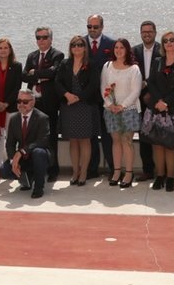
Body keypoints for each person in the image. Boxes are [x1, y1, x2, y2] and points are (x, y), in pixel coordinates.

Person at [146, 31, 174, 192]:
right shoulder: (157, 61)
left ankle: (170, 177)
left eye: (172, 40)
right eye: (166, 41)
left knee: (170, 145)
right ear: (163, 45)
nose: (169, 43)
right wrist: (159, 101)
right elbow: (150, 82)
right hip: (156, 109)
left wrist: (166, 102)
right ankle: (160, 176)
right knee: (157, 144)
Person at [55, 35, 99, 186]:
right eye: (74, 45)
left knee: (85, 140)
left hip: (85, 105)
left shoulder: (91, 65)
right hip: (68, 106)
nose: (77, 47)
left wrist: (78, 97)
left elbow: (93, 85)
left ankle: (84, 172)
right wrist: (67, 95)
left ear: (85, 48)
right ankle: (75, 171)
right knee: (73, 140)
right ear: (70, 47)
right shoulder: (65, 63)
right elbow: (57, 82)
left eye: (80, 45)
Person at [22, 26, 64, 181]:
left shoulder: (57, 55)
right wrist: (41, 76)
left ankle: (53, 170)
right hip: (33, 103)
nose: (41, 40)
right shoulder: (31, 56)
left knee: (51, 137)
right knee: (32, 137)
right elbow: (24, 76)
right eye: (38, 37)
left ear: (51, 39)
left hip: (49, 104)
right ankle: (33, 169)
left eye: (45, 37)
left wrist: (35, 74)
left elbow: (53, 73)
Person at [101, 38, 142, 188]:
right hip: (111, 110)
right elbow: (103, 88)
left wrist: (122, 106)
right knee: (116, 141)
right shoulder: (107, 66)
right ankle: (117, 171)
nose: (118, 50)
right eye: (116, 47)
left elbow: (135, 91)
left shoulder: (134, 69)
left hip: (128, 110)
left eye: (122, 48)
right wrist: (110, 104)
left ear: (127, 50)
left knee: (127, 141)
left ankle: (129, 173)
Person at [0, 88, 52, 199]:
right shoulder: (14, 119)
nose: (21, 104)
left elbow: (43, 141)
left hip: (38, 155)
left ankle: (39, 187)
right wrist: (14, 161)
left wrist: (22, 151)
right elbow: (10, 144)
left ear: (33, 102)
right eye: (19, 101)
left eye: (25, 102)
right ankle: (26, 180)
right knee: (4, 171)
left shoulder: (42, 118)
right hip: (23, 157)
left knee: (38, 152)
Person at [0, 38, 22, 178]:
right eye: (0, 48)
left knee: (12, 137)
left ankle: (14, 165)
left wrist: (6, 103)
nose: (3, 50)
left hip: (11, 107)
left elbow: (17, 87)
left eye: (5, 48)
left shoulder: (17, 66)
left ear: (10, 50)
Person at [85, 14, 115, 179]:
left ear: (102, 27)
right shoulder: (79, 43)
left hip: (107, 98)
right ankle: (92, 169)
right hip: (88, 98)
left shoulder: (111, 44)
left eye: (95, 27)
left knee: (108, 135)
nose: (92, 30)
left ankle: (113, 168)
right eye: (89, 26)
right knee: (90, 135)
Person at [132, 20, 160, 182]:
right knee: (144, 137)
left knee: (161, 136)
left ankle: (162, 171)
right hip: (140, 100)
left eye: (150, 31)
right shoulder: (134, 51)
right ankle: (147, 170)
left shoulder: (162, 50)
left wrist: (150, 88)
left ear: (155, 33)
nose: (147, 34)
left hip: (158, 99)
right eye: (144, 32)